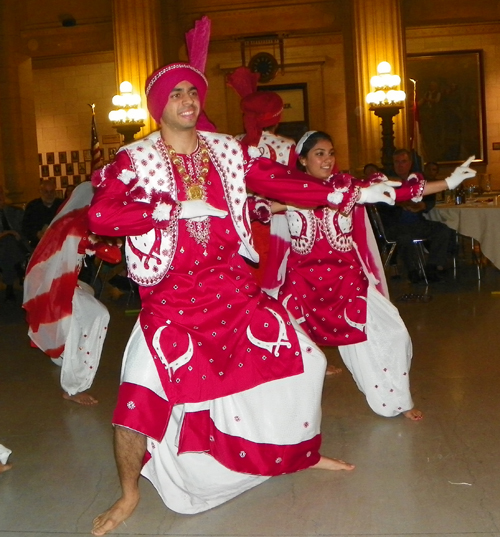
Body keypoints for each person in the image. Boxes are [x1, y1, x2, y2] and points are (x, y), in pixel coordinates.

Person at [86, 52, 399, 533]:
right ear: (156, 106)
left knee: (309, 363)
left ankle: (298, 454)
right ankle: (129, 494)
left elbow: (286, 183)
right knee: (137, 398)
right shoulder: (136, 159)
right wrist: (170, 211)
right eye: (175, 94)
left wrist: (352, 193)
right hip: (170, 302)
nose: (188, 100)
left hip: (234, 293)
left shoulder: (227, 150)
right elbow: (102, 216)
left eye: (193, 91)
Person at [267, 131, 475, 421]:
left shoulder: (349, 187)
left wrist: (449, 182)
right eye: (319, 154)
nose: (327, 160)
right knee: (280, 345)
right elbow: (253, 208)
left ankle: (396, 401)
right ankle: (281, 418)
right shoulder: (290, 189)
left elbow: (399, 193)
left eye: (330, 152)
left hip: (347, 282)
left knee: (393, 334)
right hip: (303, 285)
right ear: (302, 160)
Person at [23, 182, 121, 405]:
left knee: (90, 317)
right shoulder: (74, 224)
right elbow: (111, 254)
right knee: (93, 315)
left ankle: (67, 362)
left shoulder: (71, 222)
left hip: (61, 285)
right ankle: (73, 387)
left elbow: (108, 252)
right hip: (56, 287)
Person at [227, 66, 296, 285]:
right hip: (279, 223)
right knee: (279, 280)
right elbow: (293, 187)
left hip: (242, 223)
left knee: (248, 282)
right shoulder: (287, 145)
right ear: (277, 117)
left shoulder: (233, 143)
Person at [378, 149, 460, 283]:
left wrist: (423, 206)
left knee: (443, 229)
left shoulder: (417, 180)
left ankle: (432, 267)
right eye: (397, 162)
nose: (400, 165)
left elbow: (430, 198)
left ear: (410, 163)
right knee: (405, 237)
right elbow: (381, 206)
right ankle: (413, 271)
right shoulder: (386, 183)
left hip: (417, 223)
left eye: (403, 162)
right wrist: (399, 203)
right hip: (395, 226)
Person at [0, 184, 28, 300]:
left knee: (10, 245)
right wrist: (9, 233)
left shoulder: (13, 210)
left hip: (17, 243)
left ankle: (10, 285)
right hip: (4, 244)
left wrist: (15, 233)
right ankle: (19, 267)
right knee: (8, 243)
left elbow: (23, 228)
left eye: (1, 193)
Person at [22, 180, 63, 249]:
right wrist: (37, 234)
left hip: (59, 245)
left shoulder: (62, 205)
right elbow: (25, 227)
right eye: (46, 192)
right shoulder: (32, 206)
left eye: (51, 191)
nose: (49, 194)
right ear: (40, 191)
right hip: (38, 246)